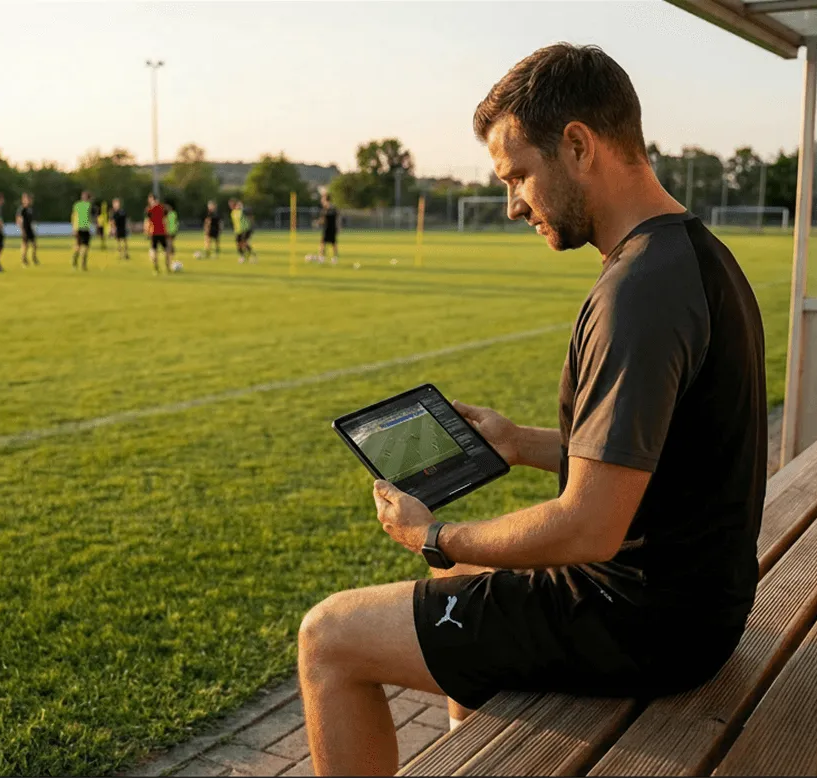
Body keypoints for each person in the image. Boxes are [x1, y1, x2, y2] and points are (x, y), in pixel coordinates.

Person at [296, 43, 767, 776]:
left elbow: (590, 526)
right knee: (457, 591)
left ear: (578, 145)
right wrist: (518, 442)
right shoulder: (694, 255)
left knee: (328, 636)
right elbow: (655, 453)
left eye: (518, 175)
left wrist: (436, 534)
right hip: (695, 607)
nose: (514, 202)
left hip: (643, 621)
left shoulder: (639, 291)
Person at [145, 192, 171, 275]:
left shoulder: (149, 209)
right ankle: (167, 267)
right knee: (166, 249)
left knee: (153, 250)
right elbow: (166, 219)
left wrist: (146, 231)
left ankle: (156, 268)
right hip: (162, 232)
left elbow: (148, 221)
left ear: (151, 199)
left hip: (154, 232)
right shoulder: (163, 207)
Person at [72, 191, 93, 271]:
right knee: (80, 246)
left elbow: (73, 216)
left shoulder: (77, 205)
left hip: (84, 228)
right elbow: (74, 216)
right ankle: (78, 261)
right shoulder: (87, 205)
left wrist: (73, 228)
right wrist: (74, 228)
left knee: (84, 247)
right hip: (80, 228)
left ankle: (80, 262)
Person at [231, 199, 257, 264]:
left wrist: (252, 226)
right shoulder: (233, 213)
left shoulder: (243, 211)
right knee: (238, 244)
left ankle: (253, 255)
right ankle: (242, 256)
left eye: (240, 205)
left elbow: (250, 214)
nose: (239, 206)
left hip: (246, 229)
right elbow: (235, 222)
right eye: (238, 205)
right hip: (238, 231)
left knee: (244, 243)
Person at [16, 192, 39, 267]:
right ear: (24, 200)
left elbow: (31, 219)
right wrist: (21, 228)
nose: (30, 201)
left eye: (30, 199)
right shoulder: (22, 209)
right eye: (28, 199)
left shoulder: (30, 209)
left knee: (34, 244)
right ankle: (24, 260)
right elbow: (18, 219)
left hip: (30, 228)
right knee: (25, 245)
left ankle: (34, 258)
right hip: (25, 229)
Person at [317, 194, 339, 264]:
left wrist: (317, 222)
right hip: (333, 228)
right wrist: (338, 227)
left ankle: (321, 258)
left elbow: (323, 219)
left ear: (325, 199)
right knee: (333, 243)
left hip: (327, 228)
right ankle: (335, 258)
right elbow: (338, 218)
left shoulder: (325, 208)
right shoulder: (334, 207)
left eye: (322, 199)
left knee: (322, 243)